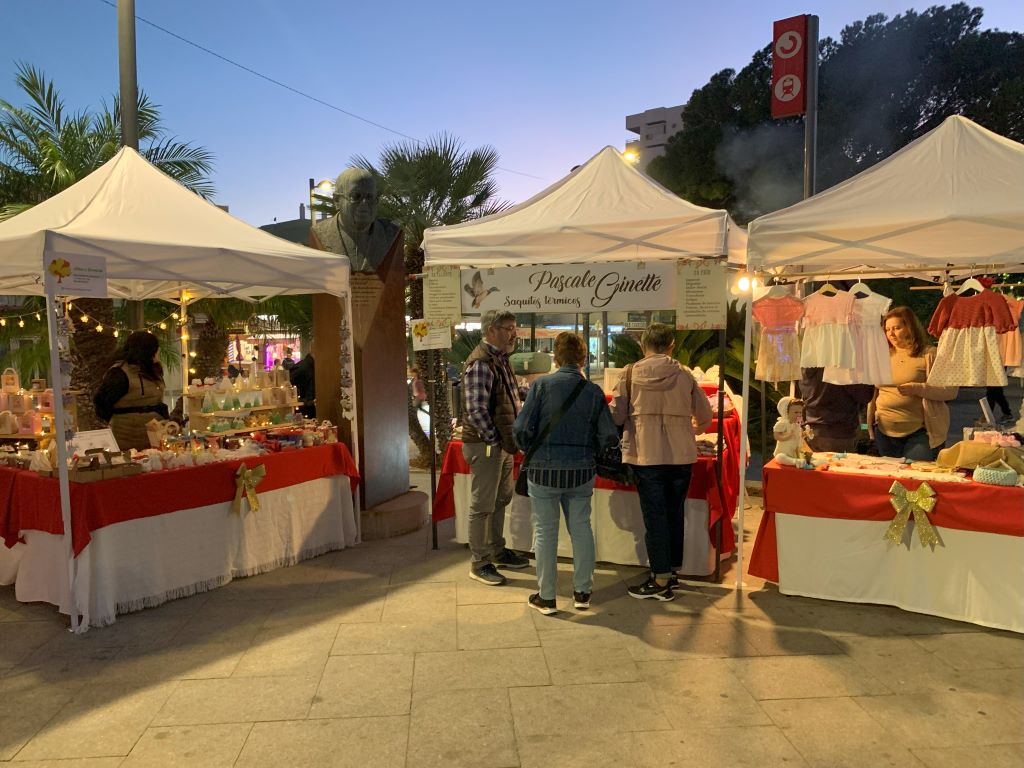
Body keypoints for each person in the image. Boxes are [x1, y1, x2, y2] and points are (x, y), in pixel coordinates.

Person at [512, 332, 618, 615]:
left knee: (545, 533)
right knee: (582, 528)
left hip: (544, 470)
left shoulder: (542, 386)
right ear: (584, 358)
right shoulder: (593, 392)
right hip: (581, 470)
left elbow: (521, 428)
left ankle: (547, 597)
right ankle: (582, 592)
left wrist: (528, 449)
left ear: (556, 358)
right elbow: (608, 435)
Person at [611, 323, 713, 602]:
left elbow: (617, 416)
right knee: (674, 512)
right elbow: (704, 415)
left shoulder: (629, 373)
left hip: (647, 456)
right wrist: (693, 429)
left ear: (643, 345)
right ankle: (671, 571)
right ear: (671, 346)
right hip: (681, 456)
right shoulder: (684, 374)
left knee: (654, 516)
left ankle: (660, 578)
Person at [461, 309, 531, 585]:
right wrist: (493, 440)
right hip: (485, 445)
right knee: (482, 505)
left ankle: (497, 550)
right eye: (508, 328)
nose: (514, 333)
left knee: (501, 500)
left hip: (500, 445)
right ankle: (479, 563)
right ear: (491, 330)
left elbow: (510, 395)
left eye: (514, 327)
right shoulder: (481, 363)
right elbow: (476, 410)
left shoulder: (499, 359)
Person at [868, 306, 958, 460]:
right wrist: (871, 423)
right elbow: (874, 393)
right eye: (887, 329)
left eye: (897, 328)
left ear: (910, 328)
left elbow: (950, 391)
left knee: (915, 479)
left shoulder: (930, 354)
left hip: (920, 433)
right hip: (883, 432)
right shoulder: (882, 355)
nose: (891, 333)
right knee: (889, 479)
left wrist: (919, 389)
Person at [310, 168, 401, 274]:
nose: (364, 203)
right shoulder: (320, 233)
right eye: (356, 196)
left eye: (370, 197)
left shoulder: (391, 234)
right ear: (337, 201)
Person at [93, 331, 169, 451]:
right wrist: (122, 418)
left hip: (154, 437)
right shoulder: (119, 373)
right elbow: (101, 402)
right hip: (126, 439)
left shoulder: (153, 370)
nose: (158, 352)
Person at [800, 368, 875, 453]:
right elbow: (864, 395)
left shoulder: (809, 360)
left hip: (809, 429)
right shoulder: (840, 364)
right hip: (837, 434)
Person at [289, 353, 316, 418]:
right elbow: (290, 380)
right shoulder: (306, 366)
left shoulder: (306, 365)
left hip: (306, 402)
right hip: (307, 403)